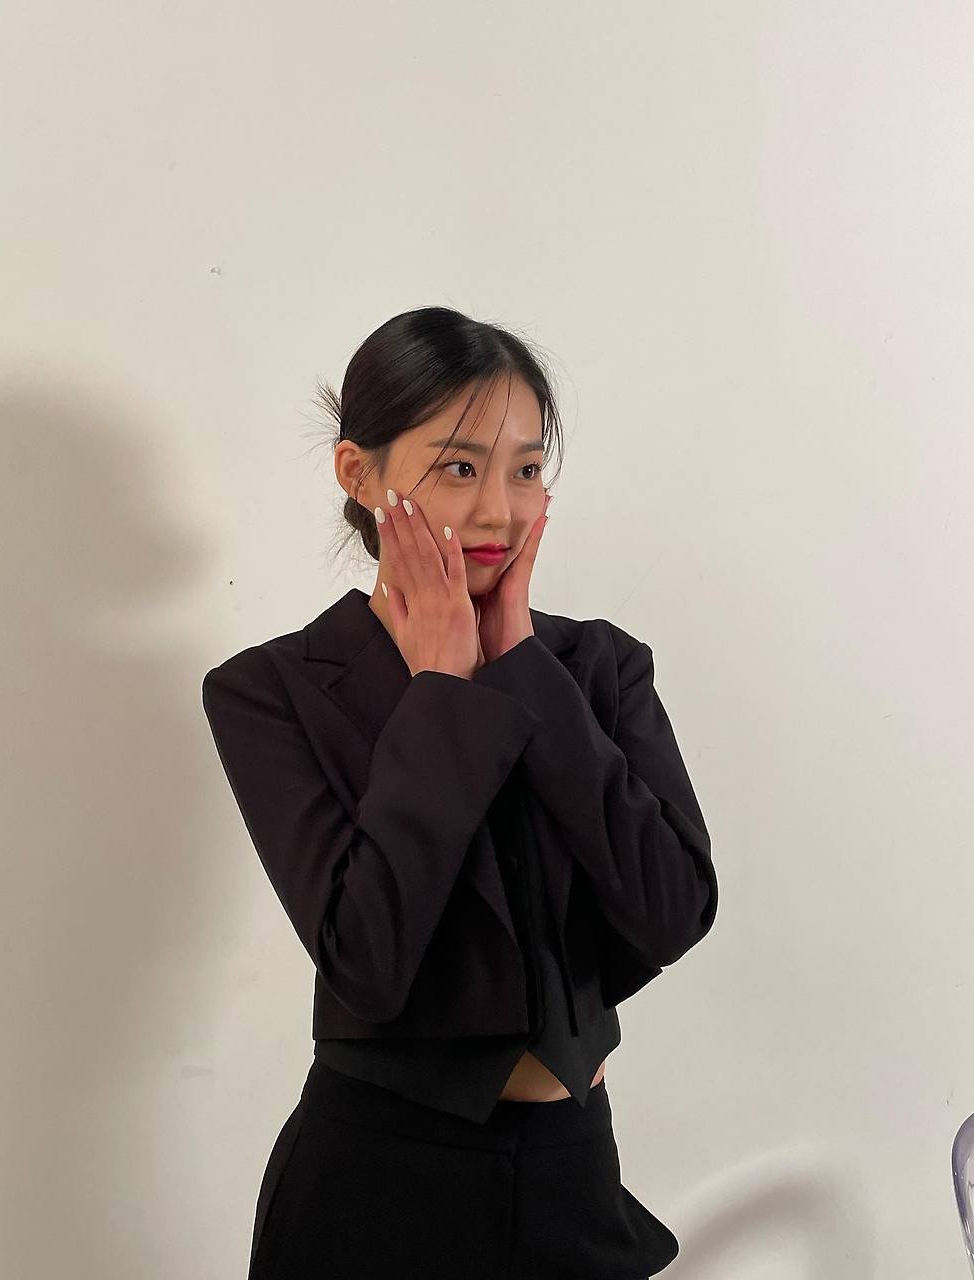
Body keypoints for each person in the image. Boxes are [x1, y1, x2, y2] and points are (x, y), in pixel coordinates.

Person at [201, 306, 719, 1278]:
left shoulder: (599, 668)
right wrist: (441, 692)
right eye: (458, 467)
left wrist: (519, 663)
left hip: (574, 1177)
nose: (498, 512)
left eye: (525, 469)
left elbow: (671, 910)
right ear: (359, 474)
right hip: (372, 1190)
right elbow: (367, 964)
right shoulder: (270, 690)